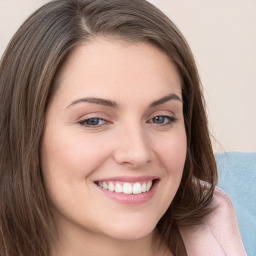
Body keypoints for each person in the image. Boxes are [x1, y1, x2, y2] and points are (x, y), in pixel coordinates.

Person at [0, 0, 246, 255]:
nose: (138, 153)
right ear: (25, 134)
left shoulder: (227, 222)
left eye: (160, 118)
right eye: (93, 121)